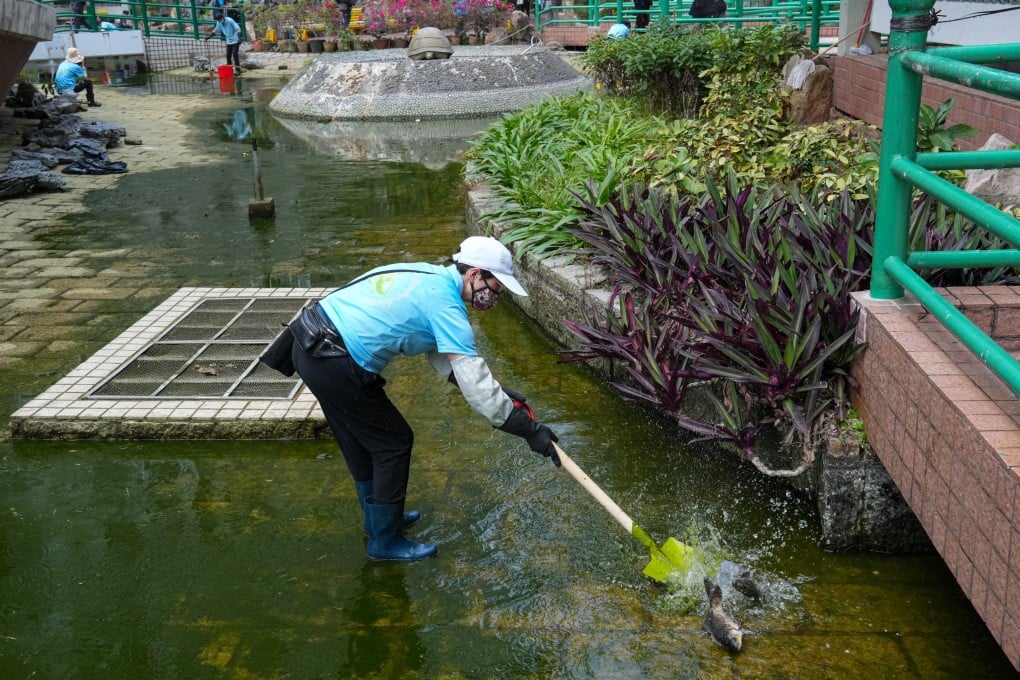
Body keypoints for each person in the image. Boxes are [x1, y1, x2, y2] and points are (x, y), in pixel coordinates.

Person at [284, 236, 561, 562]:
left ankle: (379, 521)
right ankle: (385, 542)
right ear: (474, 274)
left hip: (309, 346)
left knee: (361, 440)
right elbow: (478, 391)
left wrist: (499, 393)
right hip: (334, 358)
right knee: (393, 442)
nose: (495, 296)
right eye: (496, 286)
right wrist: (530, 430)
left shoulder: (428, 277)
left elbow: (444, 356)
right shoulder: (447, 307)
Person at [205, 9, 242, 75]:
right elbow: (215, 30)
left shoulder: (230, 20)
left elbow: (238, 28)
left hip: (236, 39)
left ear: (223, 17)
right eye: (218, 20)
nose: (220, 21)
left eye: (220, 19)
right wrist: (209, 36)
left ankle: (238, 70)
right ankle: (229, 69)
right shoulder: (219, 22)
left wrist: (239, 38)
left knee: (235, 54)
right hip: (228, 41)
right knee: (228, 55)